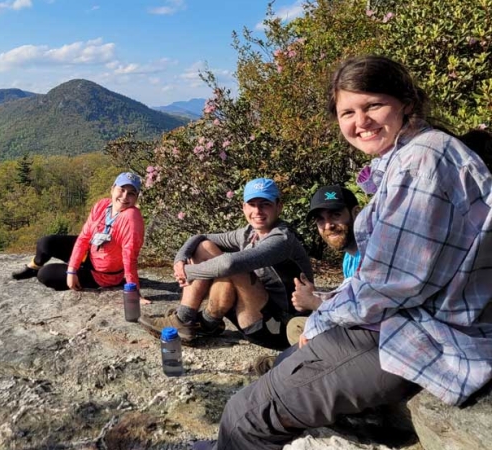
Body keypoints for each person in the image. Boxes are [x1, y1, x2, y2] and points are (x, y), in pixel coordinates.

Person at [208, 55, 492, 450]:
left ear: (405, 102)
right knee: (284, 363)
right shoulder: (408, 157)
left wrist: (323, 319)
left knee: (244, 417)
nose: (361, 121)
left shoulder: (421, 162)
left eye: (373, 105)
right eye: (348, 112)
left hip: (420, 331)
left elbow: (393, 284)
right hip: (403, 319)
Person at [138, 178, 313, 350]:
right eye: (252, 204)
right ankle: (196, 322)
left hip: (282, 328)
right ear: (244, 208)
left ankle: (196, 321)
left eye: (265, 204)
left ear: (278, 206)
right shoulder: (248, 233)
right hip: (255, 312)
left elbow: (229, 264)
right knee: (204, 247)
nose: (257, 211)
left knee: (235, 266)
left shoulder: (282, 239)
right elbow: (201, 238)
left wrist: (189, 272)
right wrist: (180, 259)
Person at [251, 185, 361, 375]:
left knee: (304, 331)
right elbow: (349, 297)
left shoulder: (374, 253)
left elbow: (367, 314)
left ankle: (293, 364)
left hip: (367, 339)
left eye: (335, 215)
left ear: (356, 213)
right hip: (346, 328)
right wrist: (315, 297)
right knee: (298, 327)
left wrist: (314, 302)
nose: (328, 226)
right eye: (321, 220)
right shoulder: (349, 256)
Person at [11, 172, 147, 294]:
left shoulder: (131, 218)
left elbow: (129, 256)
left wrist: (133, 290)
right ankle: (33, 267)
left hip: (102, 273)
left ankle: (78, 276)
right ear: (112, 189)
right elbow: (84, 238)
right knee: (45, 243)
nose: (124, 196)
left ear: (136, 198)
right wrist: (71, 270)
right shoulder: (103, 205)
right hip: (91, 253)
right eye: (121, 190)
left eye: (131, 193)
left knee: (45, 274)